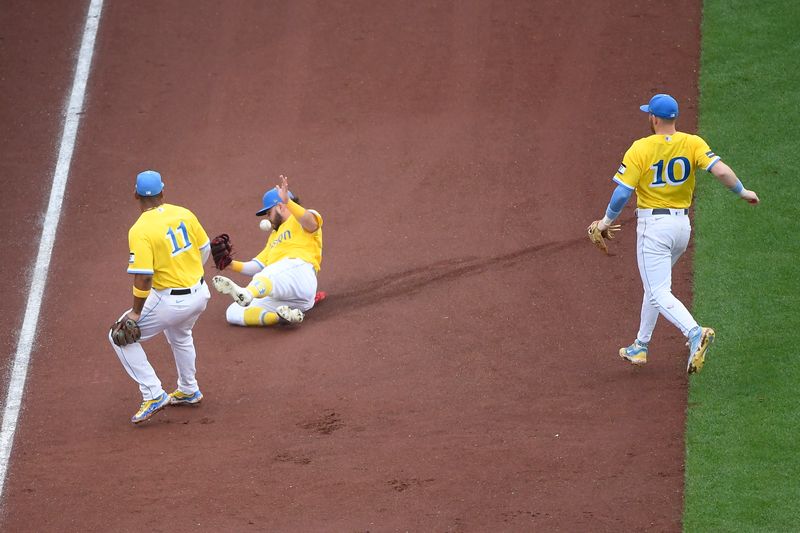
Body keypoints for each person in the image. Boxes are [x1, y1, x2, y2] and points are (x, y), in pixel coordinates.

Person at [588, 94, 759, 374]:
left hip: (654, 230)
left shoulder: (640, 148)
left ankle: (694, 332)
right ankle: (640, 346)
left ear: (653, 118)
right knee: (655, 288)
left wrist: (606, 222)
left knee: (657, 291)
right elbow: (721, 171)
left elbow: (622, 193)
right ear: (674, 118)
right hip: (682, 229)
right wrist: (742, 191)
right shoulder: (693, 143)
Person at [109, 170, 212, 424]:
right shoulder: (183, 213)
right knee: (180, 335)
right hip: (200, 294)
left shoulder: (140, 229)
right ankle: (188, 389)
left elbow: (143, 277)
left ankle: (153, 393)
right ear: (163, 191)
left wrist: (135, 312)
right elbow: (205, 248)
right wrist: (190, 274)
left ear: (135, 194)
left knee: (119, 336)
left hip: (171, 302)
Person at [211, 174, 323, 326]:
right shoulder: (273, 237)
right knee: (233, 312)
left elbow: (311, 223)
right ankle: (279, 317)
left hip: (300, 275)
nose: (268, 218)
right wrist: (230, 264)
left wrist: (289, 202)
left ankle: (247, 293)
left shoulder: (301, 218)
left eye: (269, 213)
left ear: (280, 206)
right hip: (291, 299)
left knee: (270, 273)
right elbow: (258, 266)